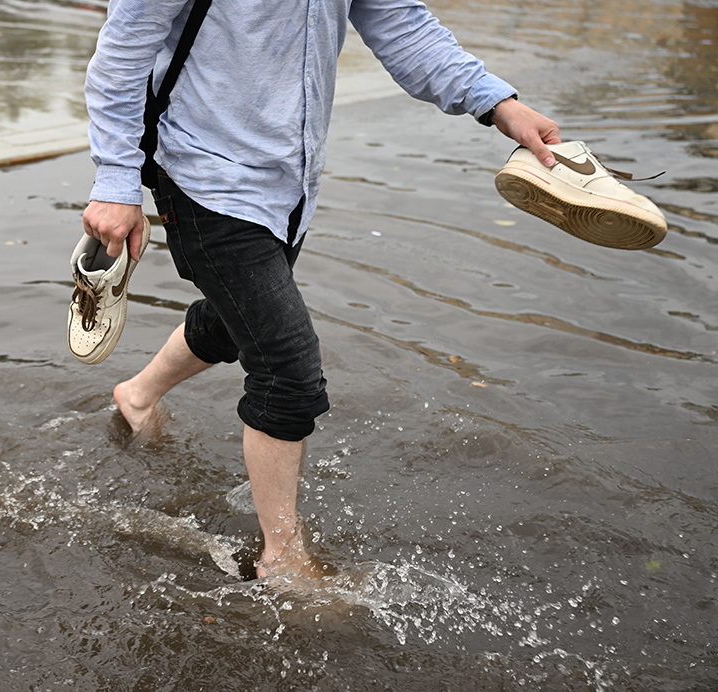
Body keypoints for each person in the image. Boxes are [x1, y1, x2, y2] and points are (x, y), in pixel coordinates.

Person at [81, 0, 560, 580]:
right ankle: (282, 560)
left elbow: (400, 24)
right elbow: (124, 51)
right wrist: (114, 182)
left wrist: (499, 105)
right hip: (204, 176)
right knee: (287, 370)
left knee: (239, 320)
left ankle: (136, 396)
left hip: (291, 183)